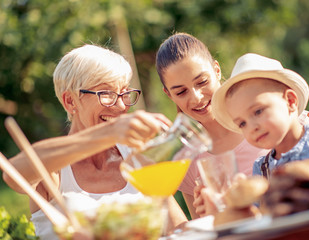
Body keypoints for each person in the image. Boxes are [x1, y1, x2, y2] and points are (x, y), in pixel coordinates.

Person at [2, 44, 187, 239]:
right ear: (70, 101)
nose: (121, 105)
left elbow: (178, 229)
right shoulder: (55, 167)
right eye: (106, 93)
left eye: (124, 93)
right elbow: (12, 177)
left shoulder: (137, 156)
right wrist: (109, 132)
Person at [155, 33, 269, 219]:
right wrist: (209, 216)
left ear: (217, 70)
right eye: (181, 92)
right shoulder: (185, 160)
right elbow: (203, 228)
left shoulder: (263, 113)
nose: (196, 97)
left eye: (202, 82)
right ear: (169, 94)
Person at [212, 53, 309, 179]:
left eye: (258, 111)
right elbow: (263, 212)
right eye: (242, 123)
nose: (252, 128)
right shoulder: (262, 169)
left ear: (290, 101)